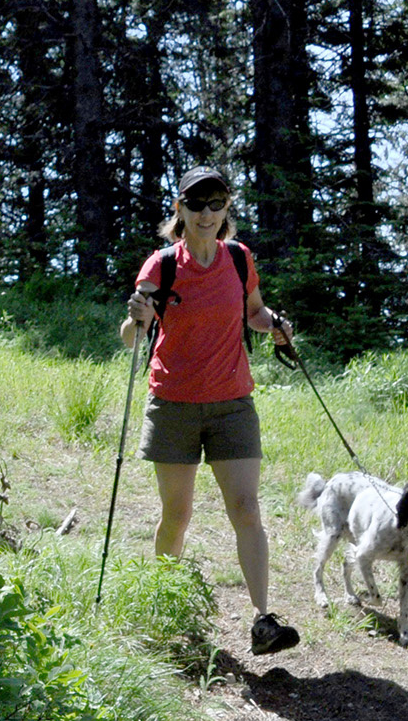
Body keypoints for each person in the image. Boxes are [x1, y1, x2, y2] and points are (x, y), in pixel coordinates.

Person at [121, 166, 301, 656]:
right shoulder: (162, 265)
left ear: (227, 209)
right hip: (174, 402)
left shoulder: (239, 259)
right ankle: (161, 605)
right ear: (179, 210)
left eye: (215, 203)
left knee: (246, 508)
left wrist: (276, 325)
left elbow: (254, 313)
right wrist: (136, 319)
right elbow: (132, 334)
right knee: (176, 515)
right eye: (196, 204)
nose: (206, 213)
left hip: (232, 404)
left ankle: (264, 619)